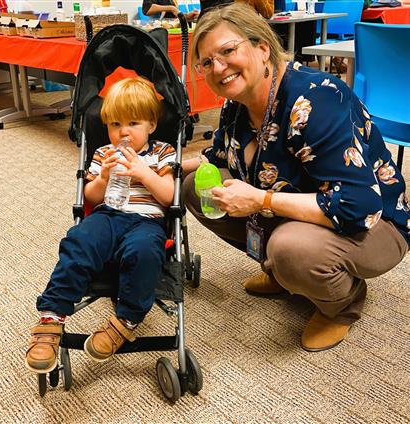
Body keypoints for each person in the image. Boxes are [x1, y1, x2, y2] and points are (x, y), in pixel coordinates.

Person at [182, 3, 409, 352]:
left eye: (227, 51)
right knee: (196, 189)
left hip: (376, 224)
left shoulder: (316, 99)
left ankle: (342, 303)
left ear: (261, 47)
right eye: (207, 62)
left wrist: (261, 200)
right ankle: (283, 272)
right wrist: (161, 162)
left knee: (291, 249)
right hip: (305, 211)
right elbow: (216, 157)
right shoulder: (236, 104)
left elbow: (358, 206)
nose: (218, 68)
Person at [26, 77, 176, 373]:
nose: (123, 132)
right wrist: (105, 178)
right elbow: (90, 196)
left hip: (147, 221)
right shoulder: (103, 154)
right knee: (79, 239)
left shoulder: (162, 152)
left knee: (145, 253)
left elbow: (169, 196)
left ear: (151, 125)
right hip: (108, 215)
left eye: (133, 123)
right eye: (115, 124)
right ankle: (52, 317)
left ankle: (125, 321)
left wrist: (145, 173)